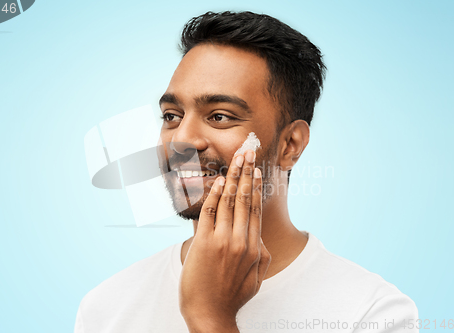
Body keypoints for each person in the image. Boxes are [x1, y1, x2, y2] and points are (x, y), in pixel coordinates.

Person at [74, 11, 418, 333]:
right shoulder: (105, 309)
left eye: (219, 116)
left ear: (290, 145)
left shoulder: (373, 313)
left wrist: (210, 316)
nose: (181, 140)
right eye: (171, 116)